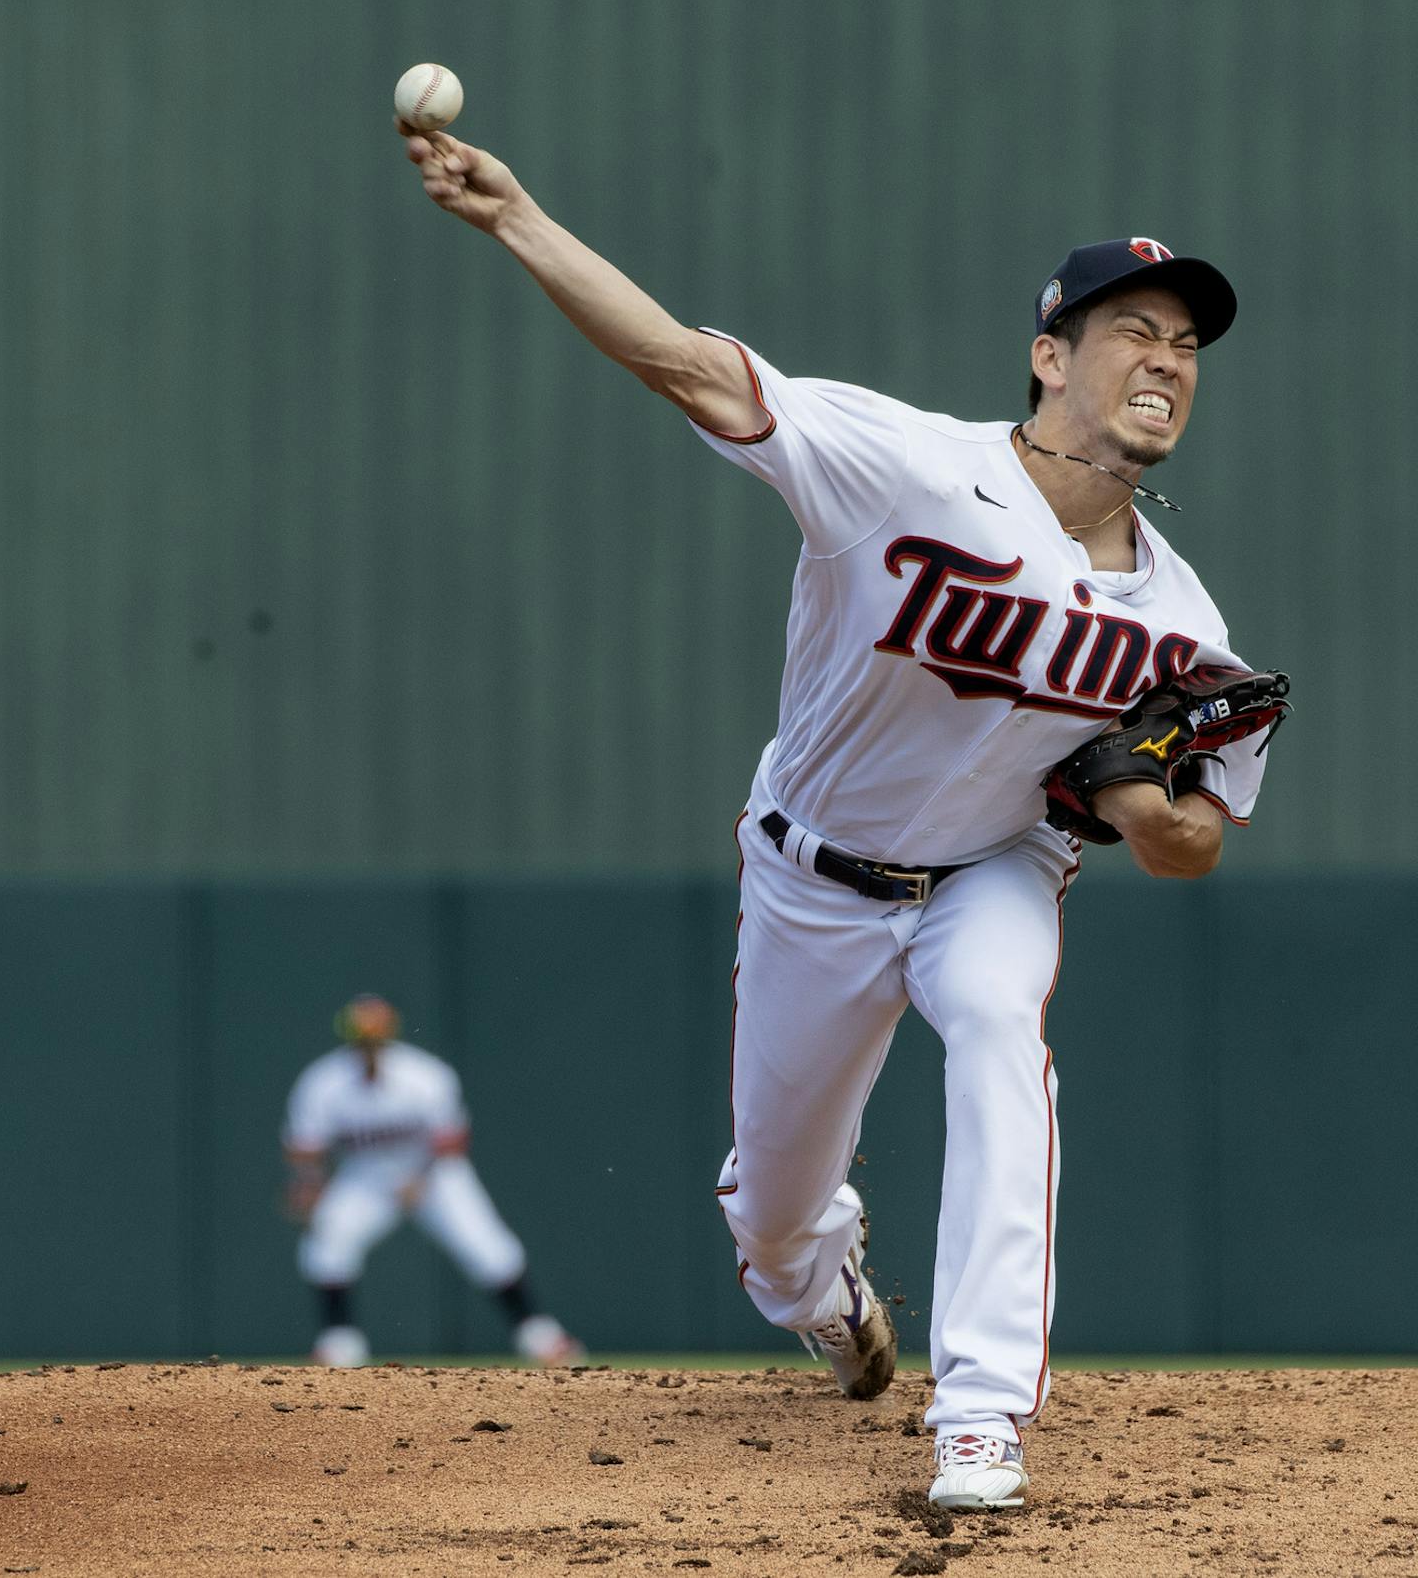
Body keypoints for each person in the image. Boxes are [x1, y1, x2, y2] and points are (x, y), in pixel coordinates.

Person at [398, 123, 1274, 1510]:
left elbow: (1195, 843)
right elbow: (684, 361)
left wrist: (1137, 792)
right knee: (772, 1218)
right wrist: (518, 219)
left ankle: (981, 1413)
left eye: (1185, 342)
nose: (1165, 357)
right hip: (811, 873)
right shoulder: (907, 469)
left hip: (991, 868)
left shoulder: (1185, 621)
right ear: (1050, 352)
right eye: (1131, 329)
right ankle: (825, 1286)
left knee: (1000, 1027)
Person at [284, 994, 582, 1368]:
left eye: (375, 1038)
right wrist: (308, 1182)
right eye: (362, 1039)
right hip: (367, 1176)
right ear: (350, 1040)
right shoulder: (324, 1081)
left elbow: (452, 1140)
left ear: (389, 1036)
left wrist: (419, 1179)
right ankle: (338, 1345)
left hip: (434, 1173)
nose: (369, 1046)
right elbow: (306, 1145)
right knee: (327, 1241)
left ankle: (541, 1337)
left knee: (488, 1246)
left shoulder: (423, 1074)